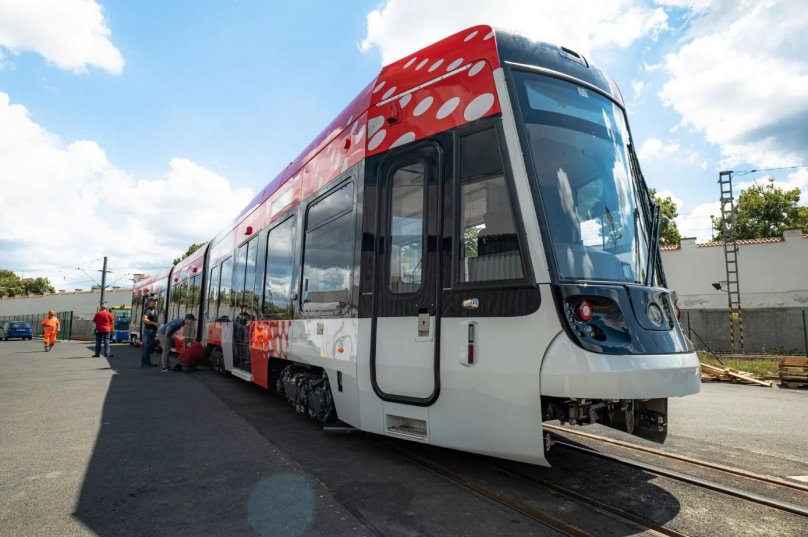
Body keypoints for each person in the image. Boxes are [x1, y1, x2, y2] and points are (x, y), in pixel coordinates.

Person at [140, 297, 159, 367]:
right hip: (149, 331)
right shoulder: (148, 310)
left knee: (147, 347)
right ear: (149, 302)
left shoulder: (152, 310)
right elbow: (144, 319)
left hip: (150, 330)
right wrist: (154, 323)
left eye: (156, 301)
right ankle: (146, 363)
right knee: (147, 347)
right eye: (154, 301)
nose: (155, 302)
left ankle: (146, 362)